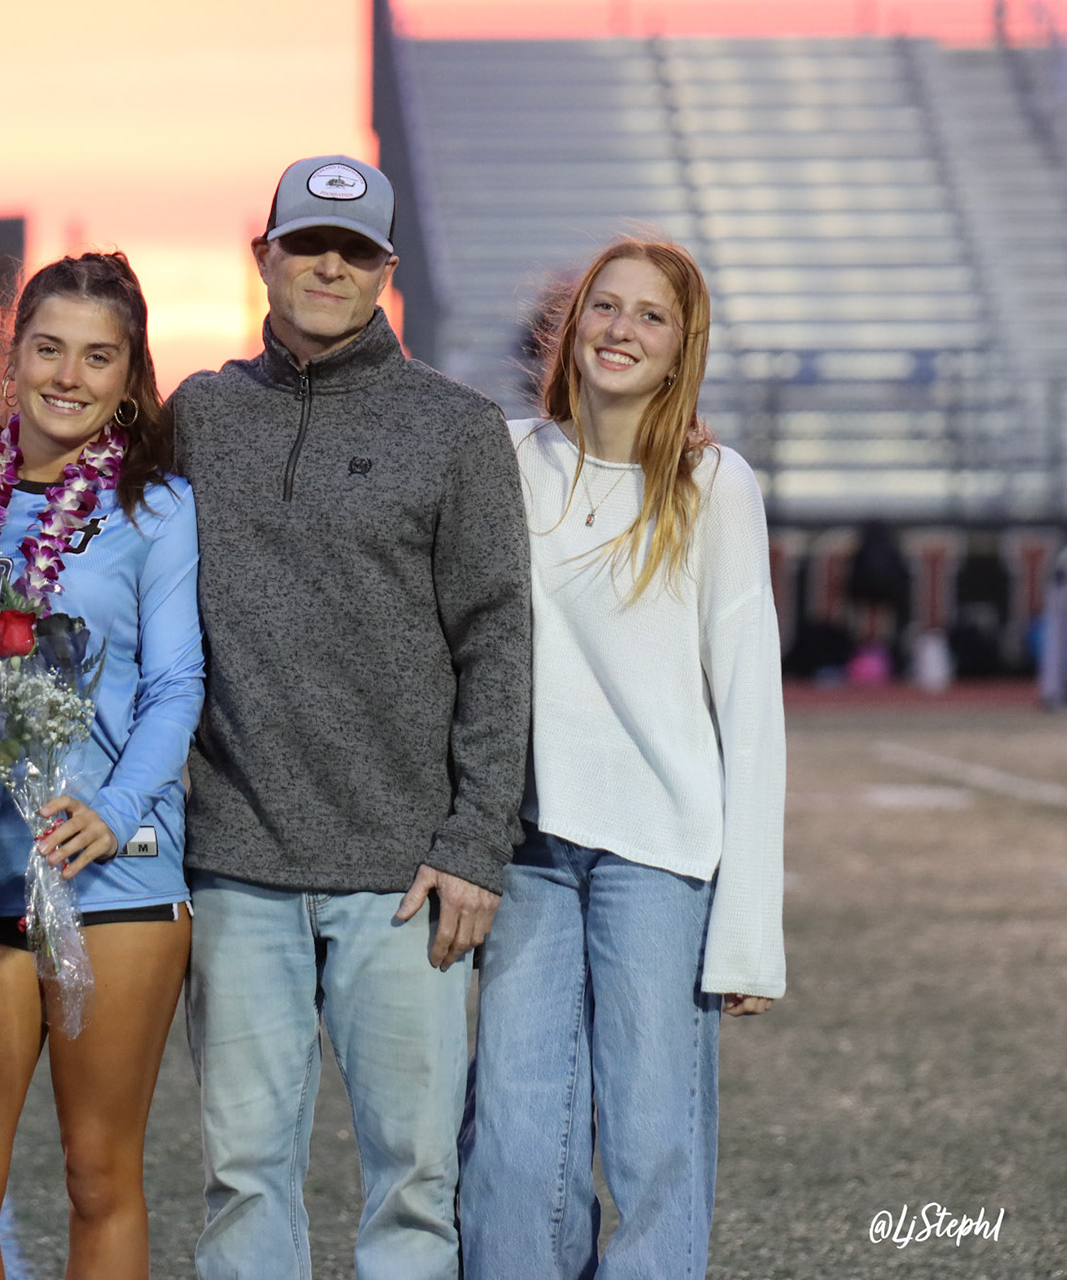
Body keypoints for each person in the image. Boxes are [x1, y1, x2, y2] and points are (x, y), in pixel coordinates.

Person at [0, 156, 531, 1280]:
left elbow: (498, 641)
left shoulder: (457, 428)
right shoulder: (203, 414)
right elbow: (62, 446)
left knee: (413, 1184)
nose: (328, 267)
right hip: (238, 863)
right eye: (306, 244)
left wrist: (475, 841)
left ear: (386, 269)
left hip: (400, 872)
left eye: (354, 251)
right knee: (242, 1178)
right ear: (264, 258)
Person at [458, 237, 786, 1279]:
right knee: (512, 1149)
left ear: (683, 347)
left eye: (652, 316)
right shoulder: (505, 458)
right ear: (572, 325)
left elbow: (750, 706)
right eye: (605, 306)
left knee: (654, 1151)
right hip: (528, 852)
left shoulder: (714, 484)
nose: (622, 330)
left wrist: (749, 934)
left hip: (661, 860)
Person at [0, 252, 203, 1280]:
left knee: (96, 1173)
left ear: (131, 376)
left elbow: (176, 683)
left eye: (97, 356)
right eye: (48, 348)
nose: (68, 376)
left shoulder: (156, 508)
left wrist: (114, 807)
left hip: (112, 876)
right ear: (13, 353)